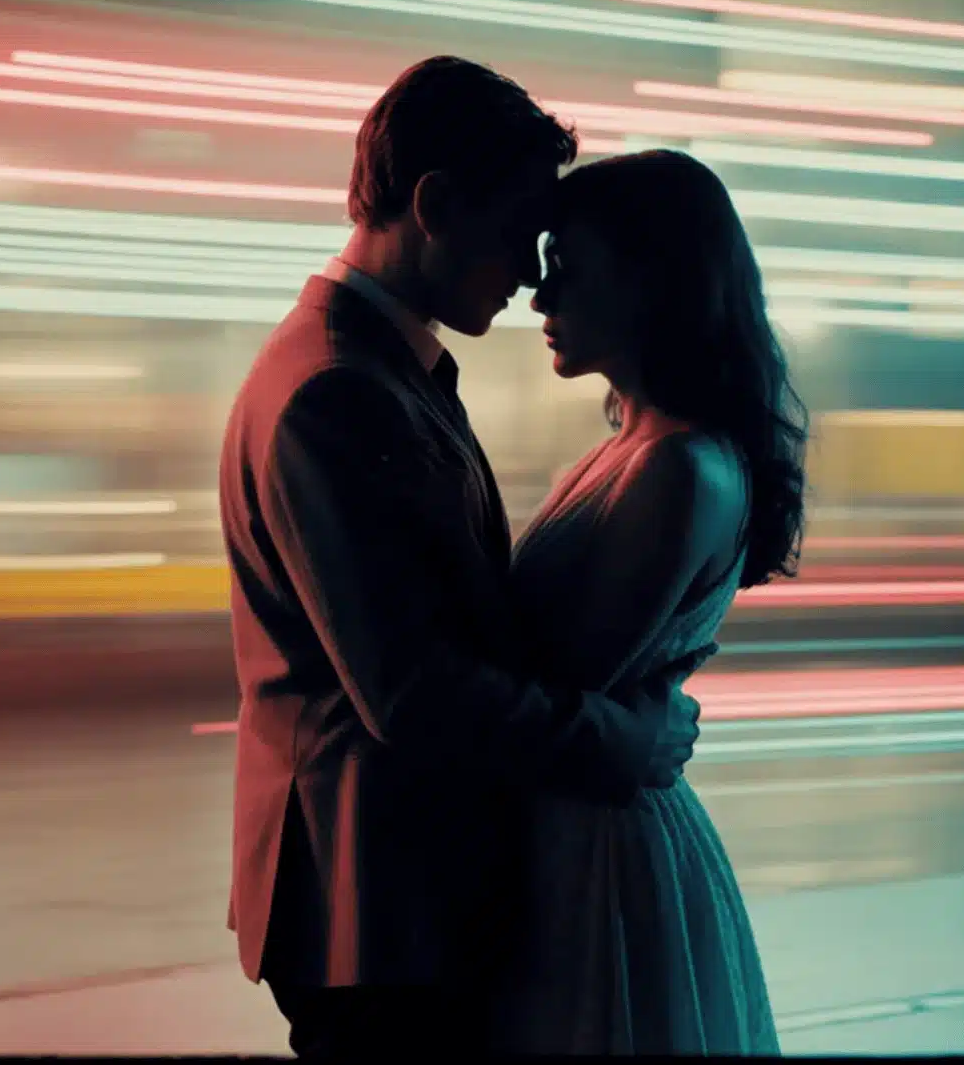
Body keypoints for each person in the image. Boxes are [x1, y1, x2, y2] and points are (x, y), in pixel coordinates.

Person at [217, 57, 715, 1058]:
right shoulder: (339, 391)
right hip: (379, 906)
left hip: (388, 896)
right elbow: (411, 692)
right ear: (435, 205)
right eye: (517, 233)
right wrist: (622, 742)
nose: (533, 273)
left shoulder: (371, 368)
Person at [494, 148, 806, 1053]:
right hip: (587, 833)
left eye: (570, 271)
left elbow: (556, 680)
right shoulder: (635, 452)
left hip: (597, 856)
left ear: (649, 283)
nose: (541, 299)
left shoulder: (675, 468)